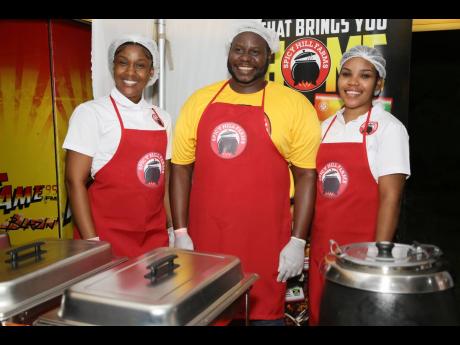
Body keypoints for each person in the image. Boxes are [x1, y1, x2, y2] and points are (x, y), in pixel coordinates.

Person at [170, 21, 321, 325]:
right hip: (207, 239)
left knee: (264, 315)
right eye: (239, 49)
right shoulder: (199, 101)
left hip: (264, 242)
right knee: (208, 314)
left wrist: (297, 241)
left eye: (256, 52)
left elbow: (306, 176)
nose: (245, 58)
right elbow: (180, 168)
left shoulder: (293, 105)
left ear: (269, 57)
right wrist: (180, 231)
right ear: (229, 52)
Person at [308, 45, 411, 325]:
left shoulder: (390, 128)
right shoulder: (324, 127)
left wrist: (379, 259)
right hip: (322, 252)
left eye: (365, 76)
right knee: (321, 315)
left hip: (363, 254)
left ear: (378, 84)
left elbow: (391, 198)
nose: (353, 83)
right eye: (346, 74)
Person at [63, 34, 174, 258]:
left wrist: (172, 230)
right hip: (106, 239)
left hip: (154, 239)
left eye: (140, 65)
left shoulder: (162, 118)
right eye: (123, 63)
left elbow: (164, 185)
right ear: (113, 67)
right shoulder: (91, 113)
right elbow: (74, 181)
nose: (130, 72)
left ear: (151, 72)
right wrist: (92, 243)